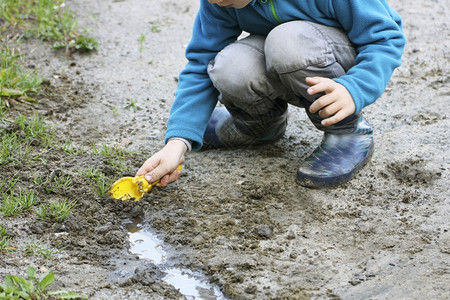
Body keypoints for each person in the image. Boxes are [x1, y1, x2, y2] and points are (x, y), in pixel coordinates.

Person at [136, 0, 406, 188]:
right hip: (286, 51)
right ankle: (259, 125)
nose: (214, 1)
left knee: (287, 41)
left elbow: (386, 38)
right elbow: (199, 63)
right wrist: (177, 143)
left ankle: (347, 131)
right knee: (229, 65)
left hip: (336, 60)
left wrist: (355, 88)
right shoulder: (218, 1)